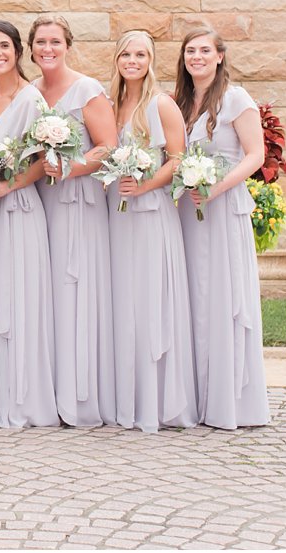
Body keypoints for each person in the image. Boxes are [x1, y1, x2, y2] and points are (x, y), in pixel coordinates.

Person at [172, 25, 271, 430]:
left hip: (222, 206)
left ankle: (228, 400)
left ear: (219, 56)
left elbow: (255, 155)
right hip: (187, 211)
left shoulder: (234, 98)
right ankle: (195, 396)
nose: (196, 57)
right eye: (189, 51)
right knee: (193, 300)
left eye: (203, 51)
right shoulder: (182, 101)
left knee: (221, 297)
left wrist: (217, 187)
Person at [29, 14, 118, 428]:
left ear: (68, 45)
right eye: (41, 42)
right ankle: (49, 390)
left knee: (76, 290)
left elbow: (108, 147)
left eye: (55, 42)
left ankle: (81, 395)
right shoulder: (30, 92)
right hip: (41, 201)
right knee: (49, 296)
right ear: (31, 48)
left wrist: (70, 168)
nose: (47, 49)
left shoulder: (87, 90)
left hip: (77, 200)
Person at [106, 30, 197, 433]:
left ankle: (157, 400)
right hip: (118, 214)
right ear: (117, 59)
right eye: (126, 54)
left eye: (140, 54)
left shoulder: (161, 104)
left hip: (150, 212)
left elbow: (177, 158)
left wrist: (144, 186)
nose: (132, 61)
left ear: (151, 60)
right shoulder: (112, 104)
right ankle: (126, 396)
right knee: (123, 301)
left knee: (149, 298)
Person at [0, 19, 59, 428]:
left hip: (20, 208)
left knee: (21, 297)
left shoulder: (32, 99)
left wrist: (9, 187)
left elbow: (46, 162)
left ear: (17, 51)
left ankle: (24, 399)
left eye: (4, 46)